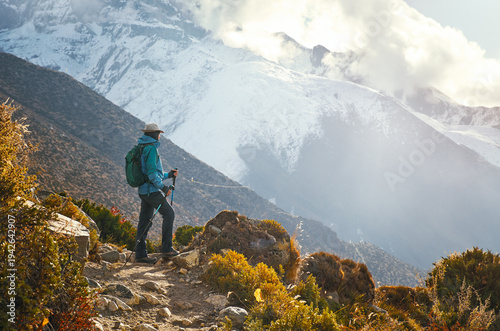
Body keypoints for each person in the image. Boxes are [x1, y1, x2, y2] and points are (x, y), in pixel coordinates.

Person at [135, 123, 179, 264]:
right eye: (159, 134)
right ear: (154, 134)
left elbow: (152, 173)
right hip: (152, 191)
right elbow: (152, 174)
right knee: (169, 213)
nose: (160, 136)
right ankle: (167, 248)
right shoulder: (151, 149)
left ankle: (141, 255)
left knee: (144, 222)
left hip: (144, 191)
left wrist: (168, 174)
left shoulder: (142, 148)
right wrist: (163, 188)